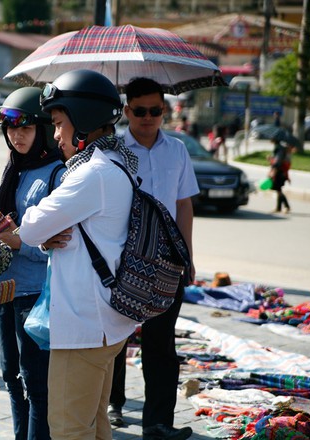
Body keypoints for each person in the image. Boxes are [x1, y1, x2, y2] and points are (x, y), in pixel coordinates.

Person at [19, 69, 140, 440]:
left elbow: (31, 227)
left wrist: (39, 229)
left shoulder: (94, 173)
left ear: (83, 119)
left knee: (70, 430)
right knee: (94, 425)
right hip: (104, 321)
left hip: (84, 325)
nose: (55, 135)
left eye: (58, 123)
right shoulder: (118, 163)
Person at [109, 77, 198, 440]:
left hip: (167, 263)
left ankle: (158, 423)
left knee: (160, 344)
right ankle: (112, 402)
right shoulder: (112, 149)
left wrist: (187, 254)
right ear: (127, 111)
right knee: (113, 337)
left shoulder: (176, 150)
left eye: (155, 111)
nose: (148, 118)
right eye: (140, 111)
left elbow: (183, 204)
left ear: (166, 110)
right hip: (121, 259)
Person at [0, 87, 64, 440]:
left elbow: (60, 246)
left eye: (26, 128)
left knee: (36, 385)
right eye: (11, 128)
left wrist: (17, 240)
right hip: (5, 292)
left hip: (35, 295)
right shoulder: (15, 168)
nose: (16, 135)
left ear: (44, 129)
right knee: (11, 379)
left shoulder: (57, 175)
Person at [268, 134, 291, 214]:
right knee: (278, 190)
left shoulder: (279, 149)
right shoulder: (278, 148)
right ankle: (279, 208)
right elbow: (276, 160)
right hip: (280, 171)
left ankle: (287, 207)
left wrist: (273, 171)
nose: (270, 139)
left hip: (279, 172)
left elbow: (278, 162)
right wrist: (270, 159)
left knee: (278, 190)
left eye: (271, 138)